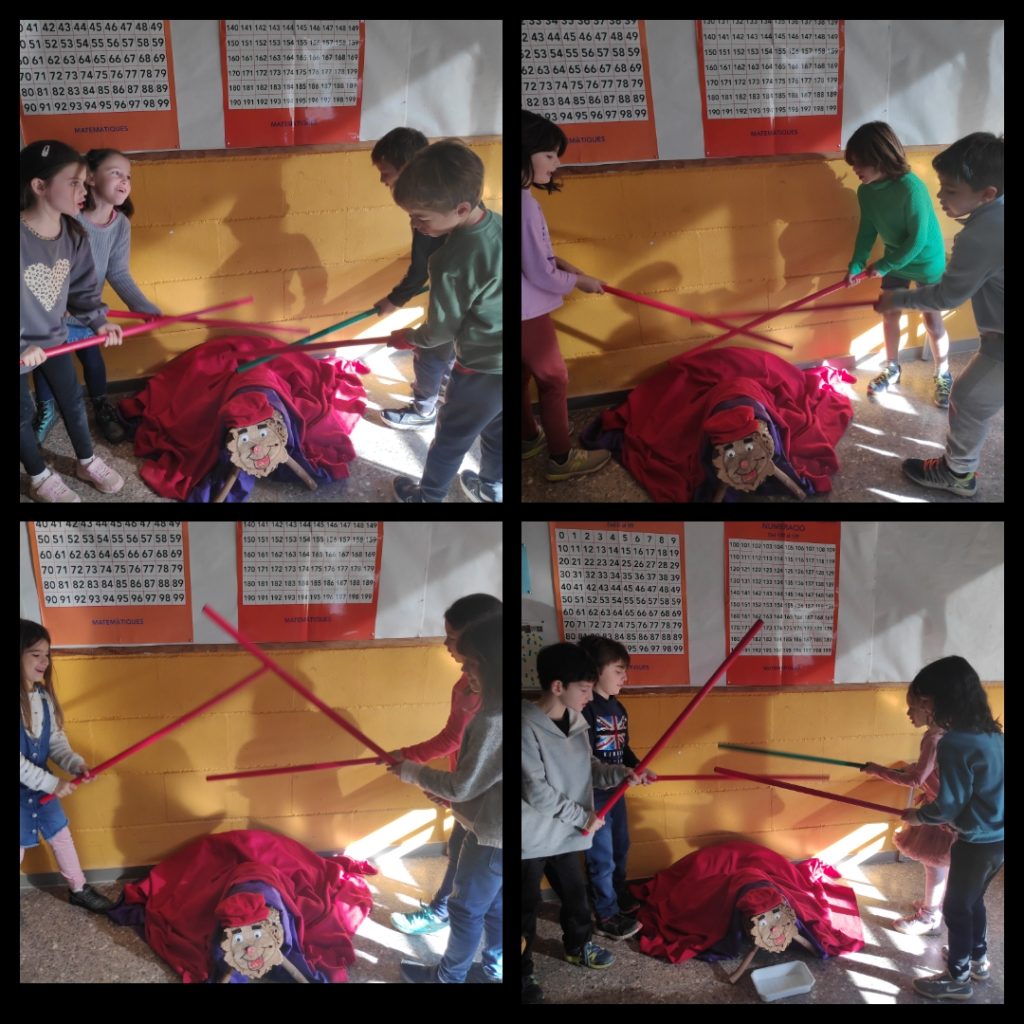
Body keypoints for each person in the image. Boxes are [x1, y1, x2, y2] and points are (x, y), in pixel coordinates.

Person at [875, 132, 1003, 499]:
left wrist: (896, 299)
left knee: (968, 398)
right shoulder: (995, 215)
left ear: (987, 193)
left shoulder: (983, 233)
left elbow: (948, 295)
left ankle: (957, 473)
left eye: (950, 190)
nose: (940, 197)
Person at [521, 643, 639, 1003]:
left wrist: (622, 774)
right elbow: (536, 791)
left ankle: (577, 946)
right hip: (531, 838)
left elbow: (590, 769)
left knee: (576, 898)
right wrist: (584, 817)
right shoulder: (524, 725)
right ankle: (522, 972)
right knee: (525, 908)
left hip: (566, 835)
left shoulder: (577, 721)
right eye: (585, 689)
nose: (590, 697)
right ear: (558, 687)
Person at [388, 614, 502, 983]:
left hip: (491, 832)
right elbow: (478, 779)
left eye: (471, 662)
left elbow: (464, 784)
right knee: (494, 903)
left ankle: (448, 978)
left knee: (466, 908)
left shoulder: (492, 719)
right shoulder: (493, 706)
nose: (463, 669)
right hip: (487, 821)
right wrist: (452, 795)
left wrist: (413, 771)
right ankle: (495, 969)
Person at [387, 140, 502, 503]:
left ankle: (428, 498)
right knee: (497, 429)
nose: (414, 224)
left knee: (451, 437)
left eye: (421, 217)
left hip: (481, 367)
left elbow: (442, 330)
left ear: (461, 208)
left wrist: (411, 337)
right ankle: (493, 487)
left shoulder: (450, 261)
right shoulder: (499, 225)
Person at [34, 148, 161, 446]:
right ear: (90, 178)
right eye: (116, 173)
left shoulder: (120, 224)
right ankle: (46, 409)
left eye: (128, 176)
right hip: (53, 312)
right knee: (48, 364)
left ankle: (101, 405)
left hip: (87, 311)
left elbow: (118, 272)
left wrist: (143, 307)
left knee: (92, 360)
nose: (125, 180)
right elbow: (49, 268)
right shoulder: (68, 218)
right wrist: (60, 304)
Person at [21, 140, 125, 501]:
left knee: (72, 399)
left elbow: (82, 291)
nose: (85, 190)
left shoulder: (73, 234)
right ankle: (38, 476)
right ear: (39, 186)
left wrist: (99, 322)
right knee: (22, 413)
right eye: (75, 183)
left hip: (53, 338)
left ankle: (86, 460)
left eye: (85, 182)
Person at [896, 656, 1003, 1001]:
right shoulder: (993, 734)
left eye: (922, 701)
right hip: (998, 839)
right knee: (973, 901)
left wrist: (918, 816)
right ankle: (977, 960)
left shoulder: (955, 743)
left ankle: (958, 978)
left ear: (938, 700)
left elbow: (949, 805)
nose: (921, 708)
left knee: (956, 908)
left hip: (975, 841)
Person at [521, 109, 611, 481]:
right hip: (527, 313)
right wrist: (578, 282)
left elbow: (534, 256)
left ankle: (528, 438)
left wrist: (566, 265)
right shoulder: (525, 204)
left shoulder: (520, 197)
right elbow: (539, 272)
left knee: (520, 375)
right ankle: (561, 458)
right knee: (554, 380)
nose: (556, 163)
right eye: (549, 155)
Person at [844, 122, 950, 406]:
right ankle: (892, 367)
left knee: (932, 319)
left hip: (924, 260)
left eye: (859, 163)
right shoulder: (865, 191)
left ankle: (943, 373)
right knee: (890, 313)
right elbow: (867, 230)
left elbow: (917, 240)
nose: (855, 169)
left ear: (879, 157)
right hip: (895, 259)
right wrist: (857, 264)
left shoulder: (911, 188)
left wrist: (884, 265)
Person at [20, 619, 113, 912]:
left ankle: (78, 888)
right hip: (29, 790)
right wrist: (52, 784)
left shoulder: (43, 698)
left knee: (61, 835)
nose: (45, 662)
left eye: (47, 655)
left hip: (42, 788)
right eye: (36, 654)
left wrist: (75, 764)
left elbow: (56, 741)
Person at [370, 127, 454, 431]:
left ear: (408, 168)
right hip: (465, 299)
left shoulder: (427, 209)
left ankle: (423, 410)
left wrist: (395, 302)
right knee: (449, 349)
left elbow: (420, 268)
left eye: (386, 172)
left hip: (454, 299)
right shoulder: (450, 194)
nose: (383, 180)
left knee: (430, 352)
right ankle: (446, 390)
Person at [577, 635, 655, 940]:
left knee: (622, 846)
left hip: (617, 791)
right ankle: (606, 913)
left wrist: (638, 767)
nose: (625, 678)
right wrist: (624, 772)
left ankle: (618, 894)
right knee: (602, 857)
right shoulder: (584, 710)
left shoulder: (619, 708)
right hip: (594, 796)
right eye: (619, 671)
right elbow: (585, 760)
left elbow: (623, 750)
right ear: (597, 672)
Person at [860, 687, 956, 934]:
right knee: (941, 862)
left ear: (928, 708)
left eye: (912, 707)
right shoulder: (948, 732)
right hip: (947, 806)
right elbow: (934, 769)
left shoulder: (932, 738)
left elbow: (915, 780)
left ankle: (929, 916)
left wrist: (878, 770)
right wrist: (912, 768)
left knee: (935, 863)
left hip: (941, 811)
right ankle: (936, 904)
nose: (908, 713)